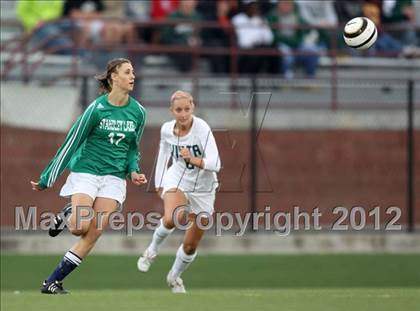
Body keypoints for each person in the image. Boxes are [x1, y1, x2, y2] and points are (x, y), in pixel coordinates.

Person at [30, 58, 147, 294]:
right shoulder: (96, 109)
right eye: (127, 72)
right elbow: (71, 143)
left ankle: (52, 282)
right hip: (87, 172)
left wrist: (134, 170)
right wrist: (47, 178)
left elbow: (133, 148)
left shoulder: (139, 112)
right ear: (114, 77)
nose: (132, 76)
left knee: (93, 232)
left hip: (114, 178)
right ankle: (68, 212)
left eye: (133, 72)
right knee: (78, 227)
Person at [137, 90, 221, 293]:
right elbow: (164, 151)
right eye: (178, 110)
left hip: (204, 188)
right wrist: (159, 183)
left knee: (191, 245)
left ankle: (174, 277)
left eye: (187, 109)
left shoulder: (202, 128)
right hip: (177, 178)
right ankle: (151, 251)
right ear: (171, 111)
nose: (183, 114)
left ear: (193, 107)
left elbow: (216, 163)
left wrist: (192, 159)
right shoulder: (167, 129)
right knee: (175, 216)